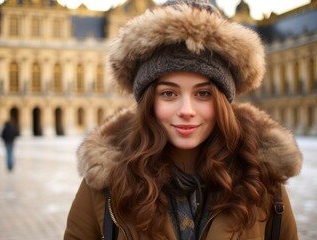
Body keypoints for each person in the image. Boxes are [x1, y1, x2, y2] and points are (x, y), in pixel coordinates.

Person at [64, 0, 302, 239]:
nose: (186, 110)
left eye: (203, 93)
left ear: (223, 101)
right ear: (149, 101)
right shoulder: (104, 182)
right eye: (169, 93)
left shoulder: (262, 178)